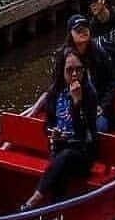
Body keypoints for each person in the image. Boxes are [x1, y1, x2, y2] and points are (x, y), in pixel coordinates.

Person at [22, 49, 98, 211]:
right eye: (70, 70)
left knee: (65, 157)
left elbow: (86, 133)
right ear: (62, 71)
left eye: (79, 69)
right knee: (60, 164)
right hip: (59, 148)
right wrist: (53, 133)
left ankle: (35, 199)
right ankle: (55, 208)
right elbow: (47, 126)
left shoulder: (89, 95)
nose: (75, 74)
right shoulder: (54, 93)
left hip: (82, 152)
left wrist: (77, 103)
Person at [50, 13, 115, 131]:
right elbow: (56, 86)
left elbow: (111, 83)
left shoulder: (100, 54)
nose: (84, 32)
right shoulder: (62, 57)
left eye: (86, 28)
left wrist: (103, 106)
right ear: (70, 33)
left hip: (96, 104)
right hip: (69, 104)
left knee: (99, 126)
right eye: (78, 30)